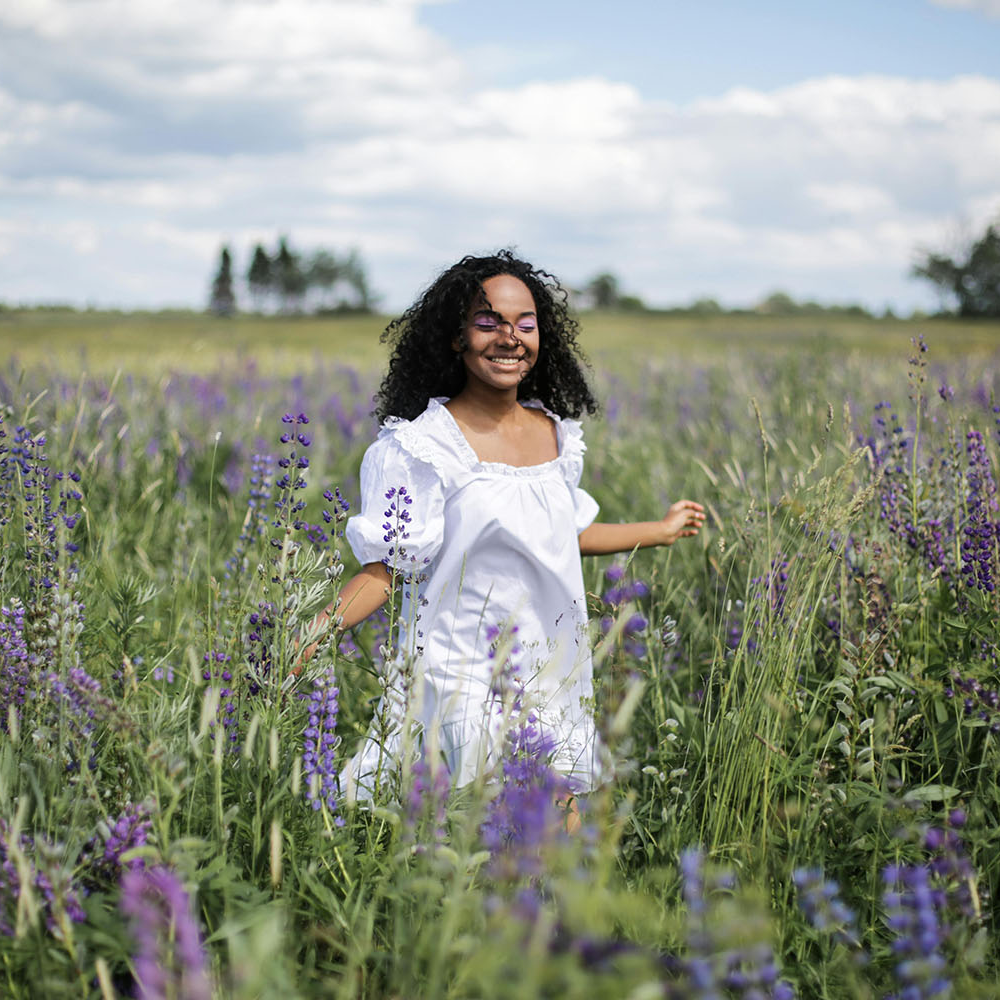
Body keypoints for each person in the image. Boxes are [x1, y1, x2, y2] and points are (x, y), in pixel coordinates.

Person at [300, 250, 705, 804]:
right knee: (486, 828)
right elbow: (384, 572)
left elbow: (567, 535)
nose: (509, 337)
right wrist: (314, 631)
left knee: (547, 845)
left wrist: (657, 530)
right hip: (456, 669)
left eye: (525, 324)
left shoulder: (556, 435)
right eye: (487, 322)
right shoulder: (421, 447)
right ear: (455, 338)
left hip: (548, 664)